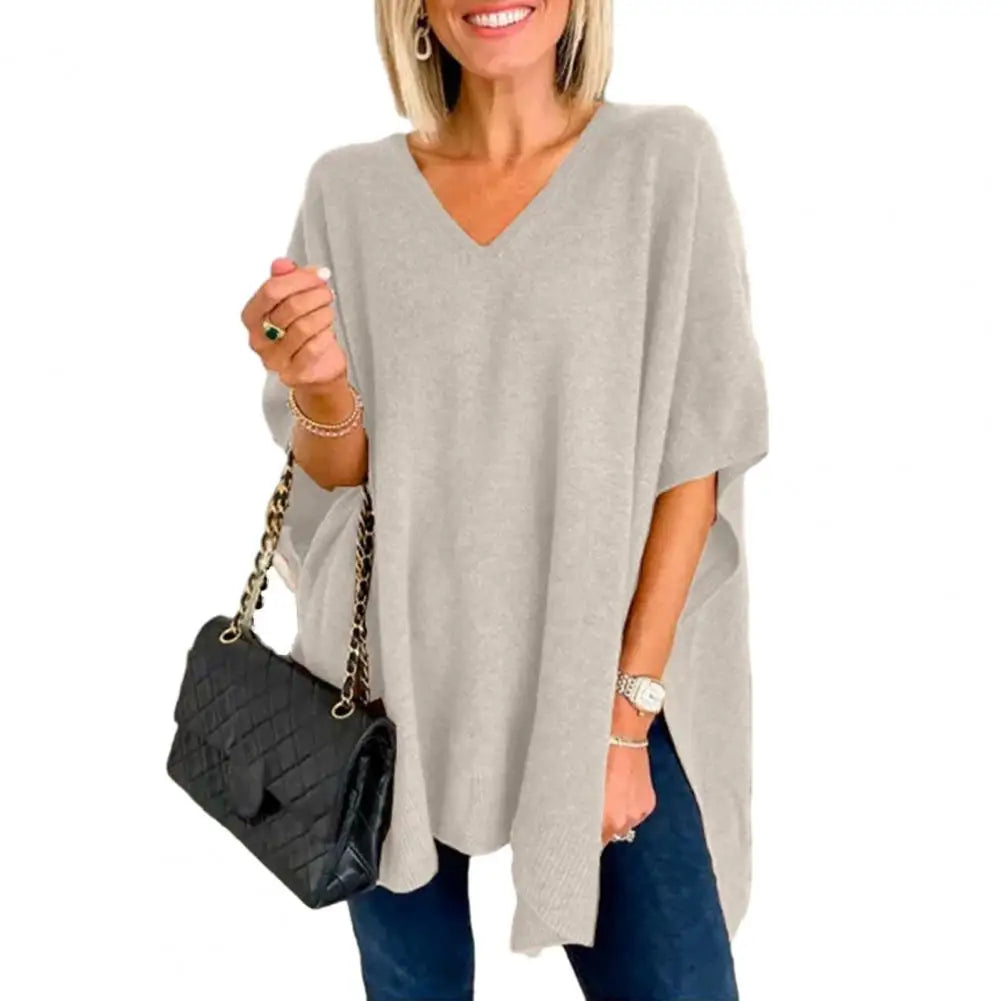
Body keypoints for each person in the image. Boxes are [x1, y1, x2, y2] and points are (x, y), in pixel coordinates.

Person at [240, 1, 769, 998]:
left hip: (602, 679)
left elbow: (691, 465)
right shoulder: (347, 192)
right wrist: (317, 387)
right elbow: (337, 476)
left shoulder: (663, 161)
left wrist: (625, 721)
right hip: (391, 699)